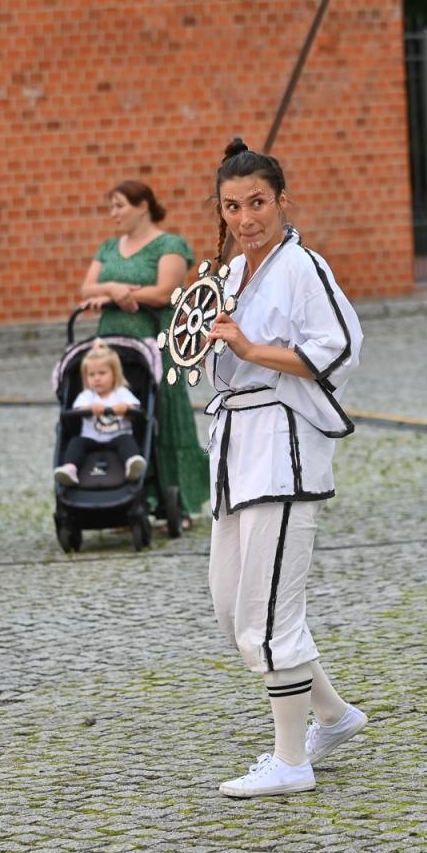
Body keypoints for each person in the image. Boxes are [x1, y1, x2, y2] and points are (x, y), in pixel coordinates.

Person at [202, 137, 368, 798]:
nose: (246, 219)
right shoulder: (232, 274)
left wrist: (252, 346)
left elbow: (341, 347)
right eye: (232, 206)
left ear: (281, 201)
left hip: (284, 448)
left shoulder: (303, 266)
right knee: (230, 606)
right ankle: (332, 713)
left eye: (257, 203)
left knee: (269, 613)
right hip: (236, 448)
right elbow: (219, 361)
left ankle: (291, 759)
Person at [77, 180, 208, 526]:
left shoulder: (170, 245)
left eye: (119, 205)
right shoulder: (108, 247)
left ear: (143, 205)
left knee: (164, 415)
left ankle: (175, 502)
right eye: (112, 206)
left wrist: (121, 294)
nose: (113, 213)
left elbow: (165, 292)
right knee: (120, 418)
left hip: (157, 341)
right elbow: (87, 287)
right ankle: (126, 497)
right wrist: (111, 289)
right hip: (114, 347)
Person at [53, 342, 145, 488]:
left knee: (127, 441)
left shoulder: (121, 393)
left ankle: (131, 464)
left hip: (117, 436)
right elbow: (78, 409)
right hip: (91, 439)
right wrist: (89, 408)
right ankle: (70, 469)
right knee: (76, 443)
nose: (97, 378)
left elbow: (135, 409)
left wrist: (125, 409)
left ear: (114, 374)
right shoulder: (87, 395)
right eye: (91, 375)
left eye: (102, 373)